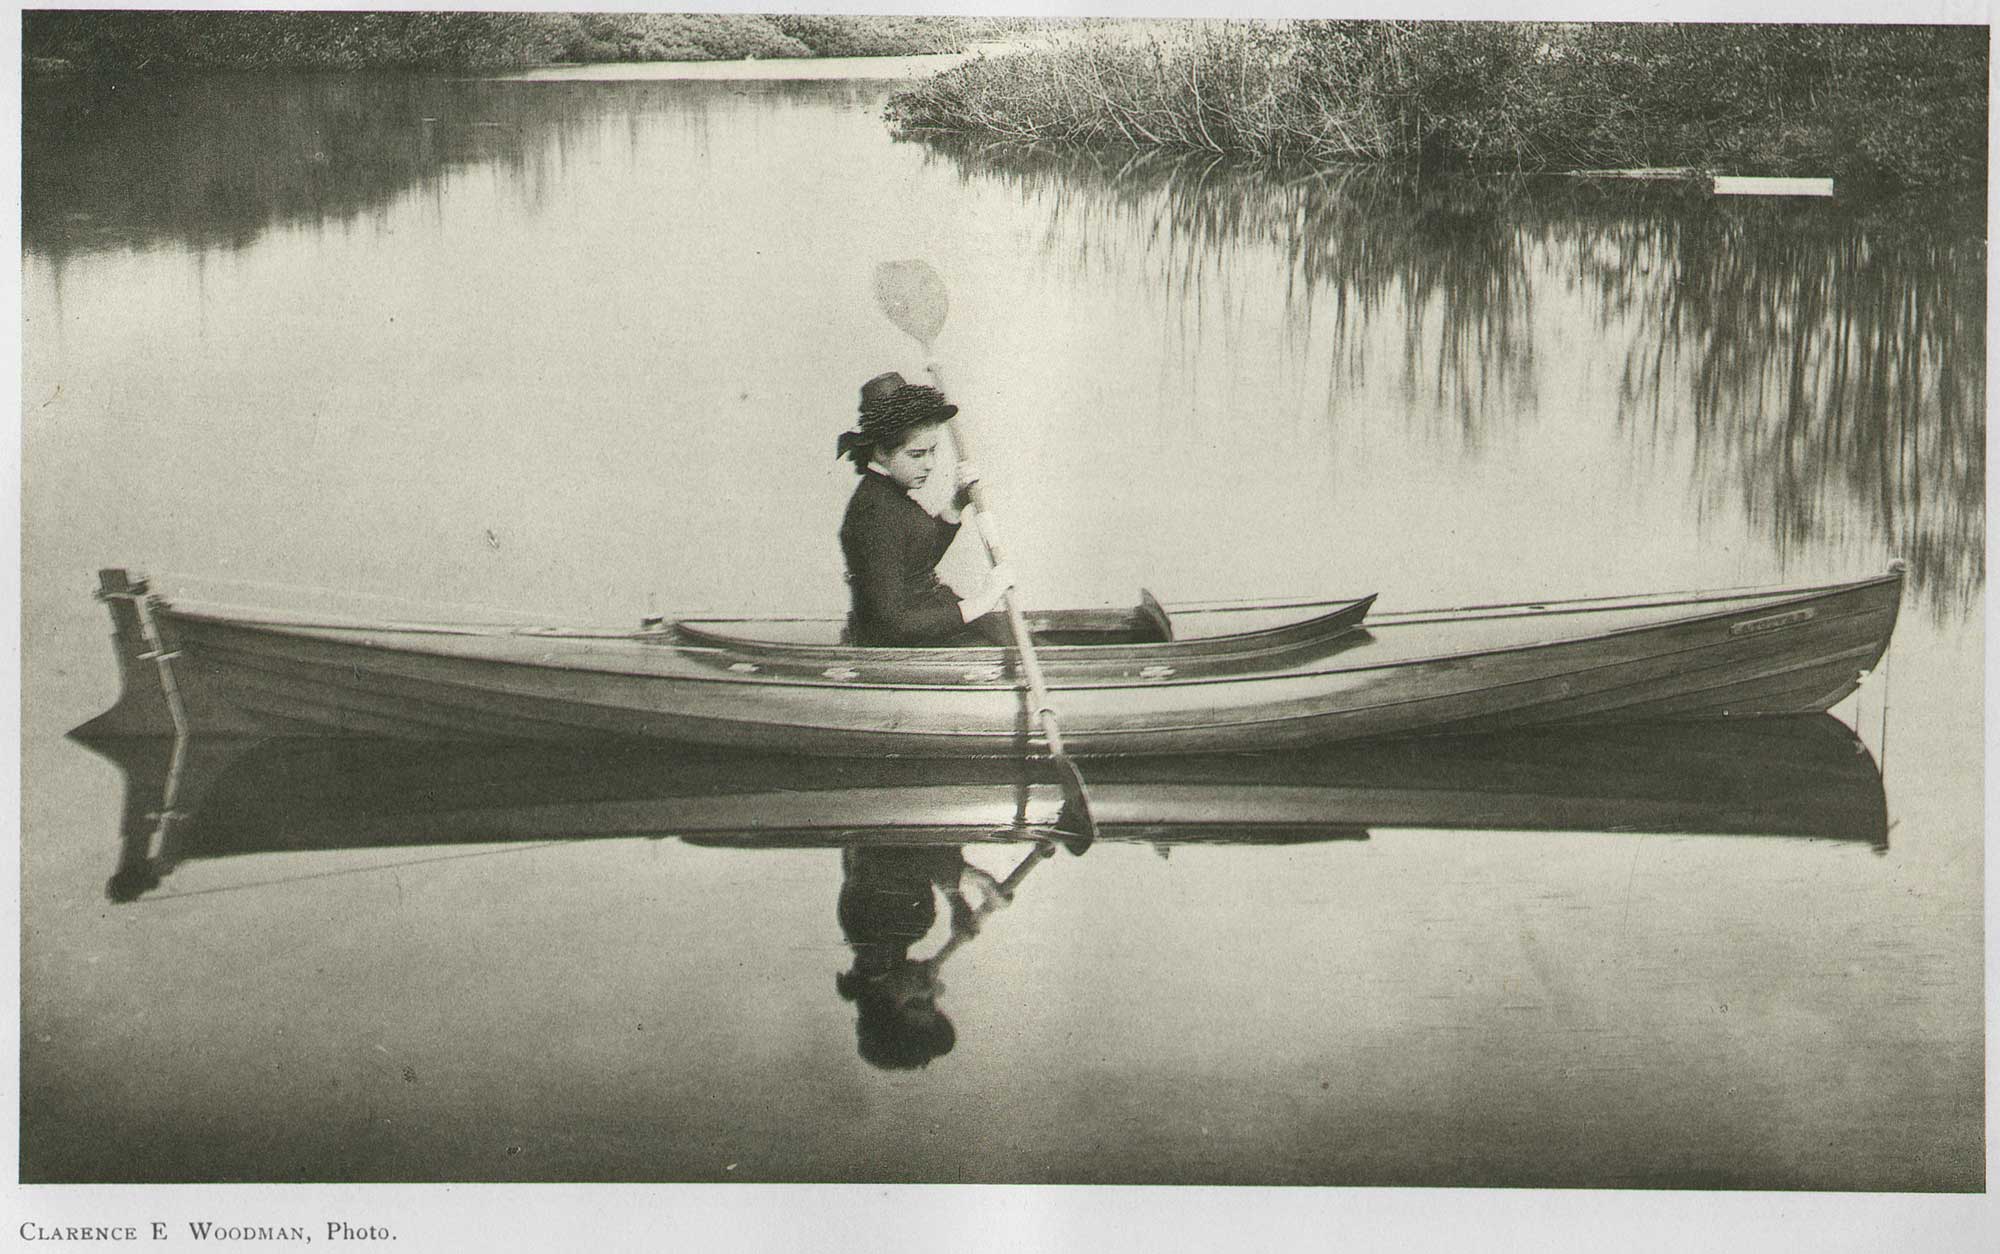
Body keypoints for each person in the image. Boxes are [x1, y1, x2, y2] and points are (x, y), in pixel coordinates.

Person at [835, 371, 1014, 647]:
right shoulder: (874, 512)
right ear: (880, 451)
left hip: (930, 621)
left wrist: (956, 504)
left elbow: (916, 559)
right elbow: (892, 623)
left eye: (933, 451)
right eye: (917, 455)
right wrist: (981, 602)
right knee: (1003, 646)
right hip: (904, 643)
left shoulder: (888, 493)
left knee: (1011, 634)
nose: (929, 464)